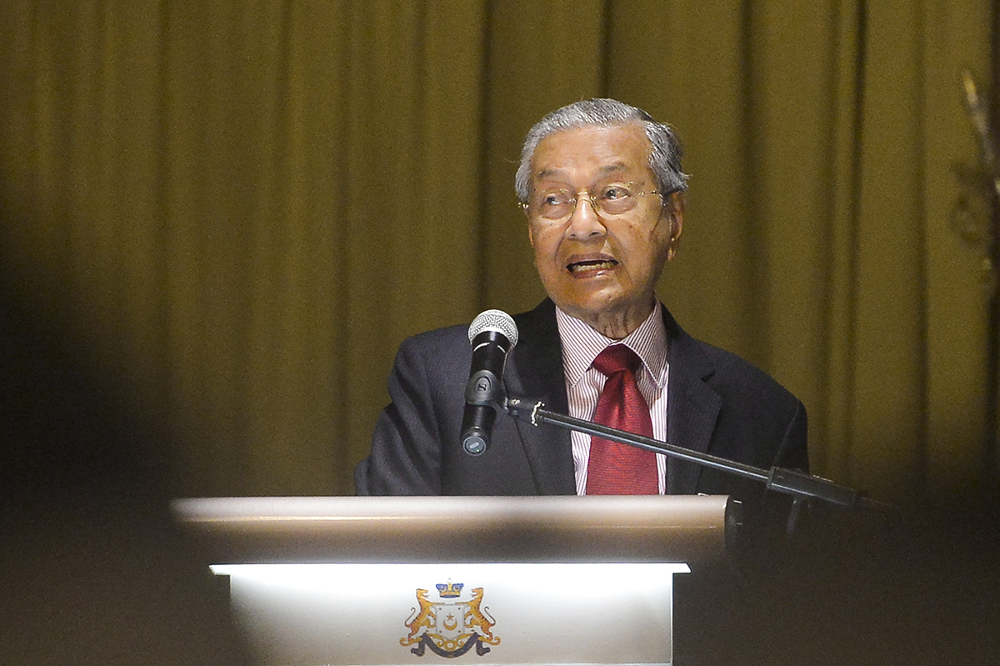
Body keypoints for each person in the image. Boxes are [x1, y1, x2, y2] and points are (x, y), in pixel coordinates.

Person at [355, 98, 807, 508]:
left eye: (613, 193)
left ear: (674, 218)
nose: (583, 225)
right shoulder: (445, 378)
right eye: (554, 200)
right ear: (531, 230)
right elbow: (384, 553)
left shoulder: (762, 413)